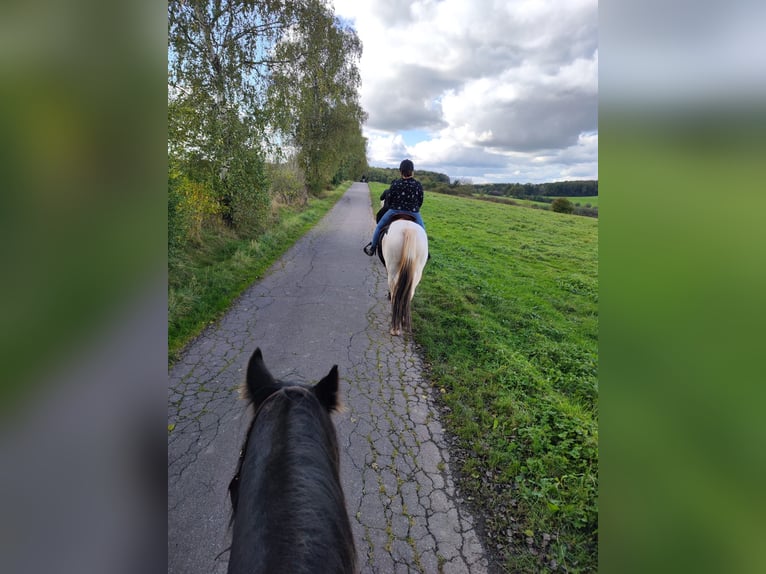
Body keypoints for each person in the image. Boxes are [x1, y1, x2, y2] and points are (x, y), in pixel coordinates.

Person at [363, 159, 425, 256]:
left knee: (379, 227)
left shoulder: (396, 183)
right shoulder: (418, 185)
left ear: (401, 171)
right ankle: (426, 253)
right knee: (423, 232)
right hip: (413, 212)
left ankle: (372, 247)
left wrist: (395, 206)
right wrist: (414, 208)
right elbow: (420, 201)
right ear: (412, 171)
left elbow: (390, 199)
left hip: (395, 211)